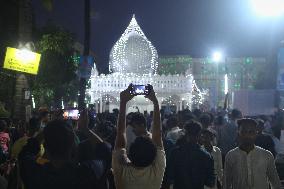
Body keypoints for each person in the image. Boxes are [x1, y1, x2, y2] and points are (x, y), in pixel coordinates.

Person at [18, 110, 111, 189]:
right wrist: (85, 129)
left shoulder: (34, 174)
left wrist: (50, 128)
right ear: (73, 147)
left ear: (46, 148)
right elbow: (106, 151)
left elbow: (25, 153)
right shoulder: (86, 174)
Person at [112, 84, 166, 189]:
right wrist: (155, 101)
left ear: (129, 154)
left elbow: (120, 134)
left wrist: (123, 102)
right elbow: (157, 134)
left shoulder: (122, 171)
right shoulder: (157, 170)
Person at [223, 118, 281, 189]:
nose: (247, 135)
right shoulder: (231, 156)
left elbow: (275, 183)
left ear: (256, 133)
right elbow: (226, 184)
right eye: (244, 132)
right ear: (238, 133)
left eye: (251, 132)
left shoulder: (267, 155)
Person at [166, 120, 215, 189]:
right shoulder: (206, 156)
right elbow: (210, 182)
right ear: (199, 135)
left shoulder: (175, 153)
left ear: (186, 134)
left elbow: (169, 177)